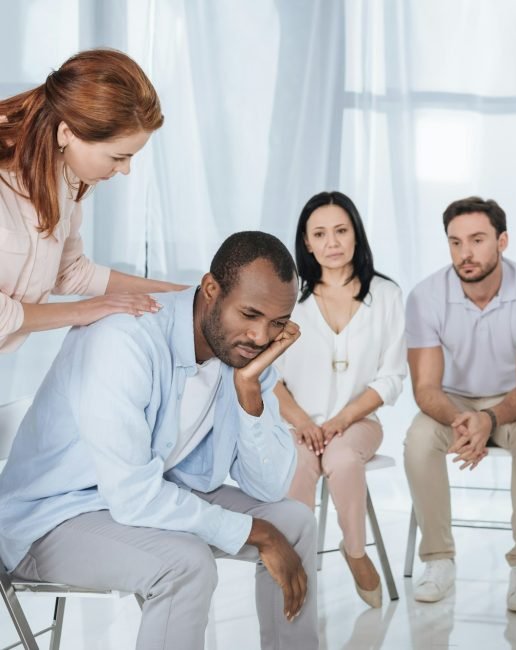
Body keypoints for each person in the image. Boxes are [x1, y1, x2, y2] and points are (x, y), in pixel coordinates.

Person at [0, 232, 318, 650]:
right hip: (53, 520)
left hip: (144, 498)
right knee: (185, 564)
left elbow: (269, 487)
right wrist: (254, 531)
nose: (261, 336)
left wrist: (250, 390)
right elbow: (133, 496)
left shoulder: (243, 355)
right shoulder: (124, 339)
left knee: (293, 524)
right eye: (250, 314)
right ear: (211, 289)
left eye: (277, 323)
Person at [404, 196, 516, 612]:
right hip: (452, 402)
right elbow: (425, 387)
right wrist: (465, 421)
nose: (465, 253)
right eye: (455, 242)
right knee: (418, 438)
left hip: (515, 403)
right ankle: (438, 560)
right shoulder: (425, 296)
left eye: (476, 240)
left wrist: (489, 419)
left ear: (502, 241)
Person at [0, 48, 185, 355]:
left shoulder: (63, 172)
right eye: (118, 157)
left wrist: (178, 293)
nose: (125, 170)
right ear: (67, 133)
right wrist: (86, 310)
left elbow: (68, 271)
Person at [273, 191, 406, 608]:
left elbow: (392, 377)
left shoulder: (385, 295)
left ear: (355, 235)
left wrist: (339, 422)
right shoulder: (288, 299)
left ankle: (355, 553)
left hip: (359, 423)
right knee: (297, 462)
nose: (332, 242)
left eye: (341, 231)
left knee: (343, 458)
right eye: (320, 233)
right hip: (298, 424)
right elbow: (269, 377)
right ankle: (294, 562)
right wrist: (305, 424)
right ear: (307, 242)